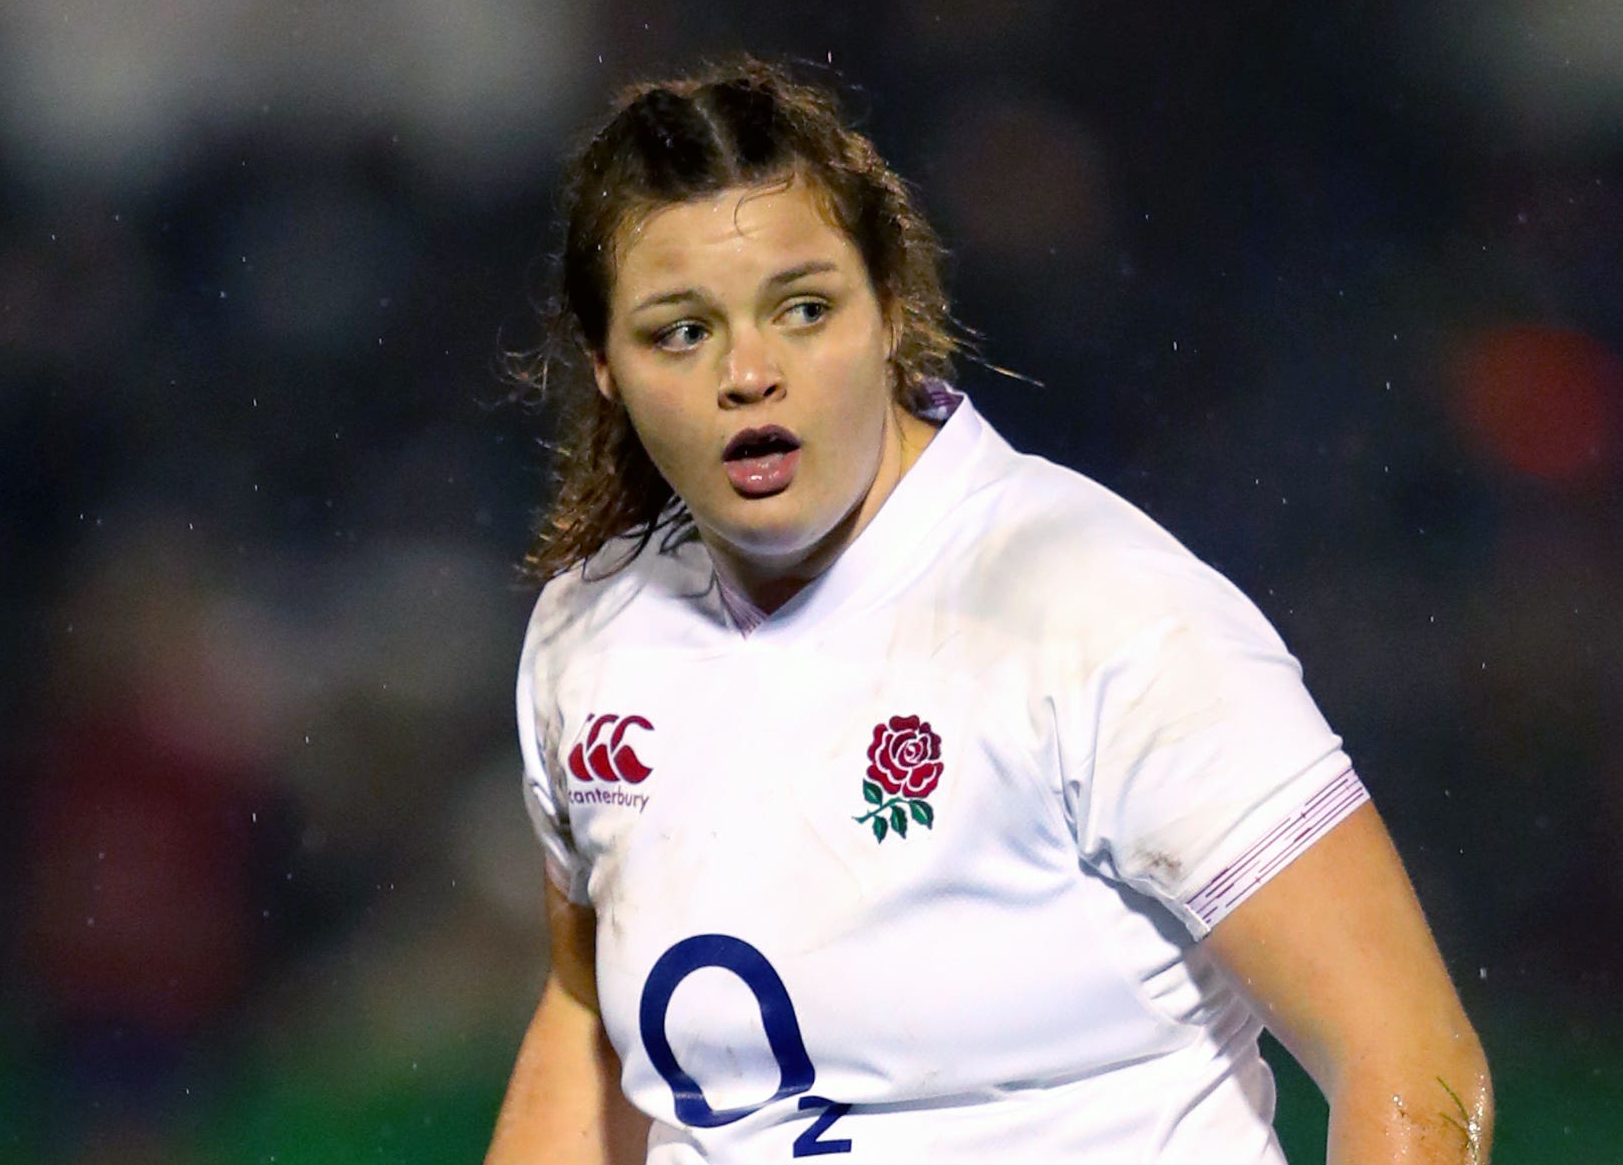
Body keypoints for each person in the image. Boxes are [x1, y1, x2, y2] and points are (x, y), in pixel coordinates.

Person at [485, 58, 1492, 1165]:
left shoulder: (1099, 608)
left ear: (890, 314)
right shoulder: (590, 635)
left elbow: (1409, 1054)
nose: (749, 370)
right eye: (680, 331)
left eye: (804, 308)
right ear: (607, 370)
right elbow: (587, 1017)